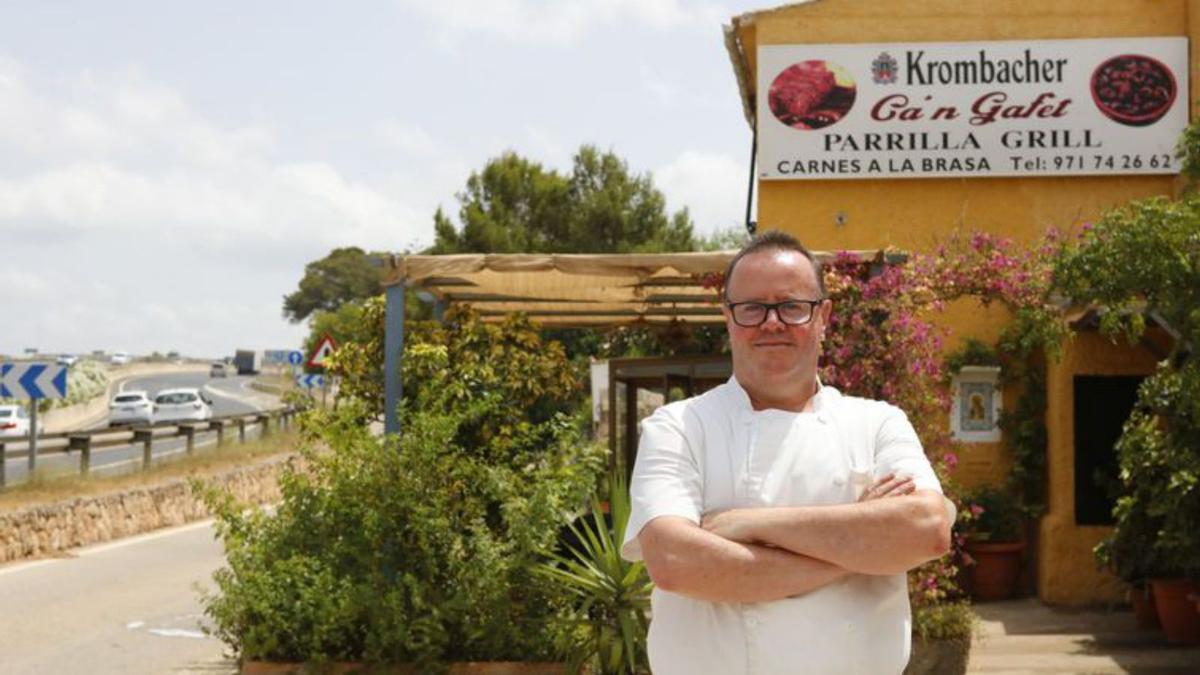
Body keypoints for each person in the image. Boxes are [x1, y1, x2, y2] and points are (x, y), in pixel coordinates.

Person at [620, 230, 954, 674]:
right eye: (752, 307)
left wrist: (747, 524)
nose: (771, 322)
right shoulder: (679, 427)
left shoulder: (877, 423)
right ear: (728, 317)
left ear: (823, 316)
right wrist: (857, 550)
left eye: (792, 306)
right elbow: (675, 562)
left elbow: (927, 530)